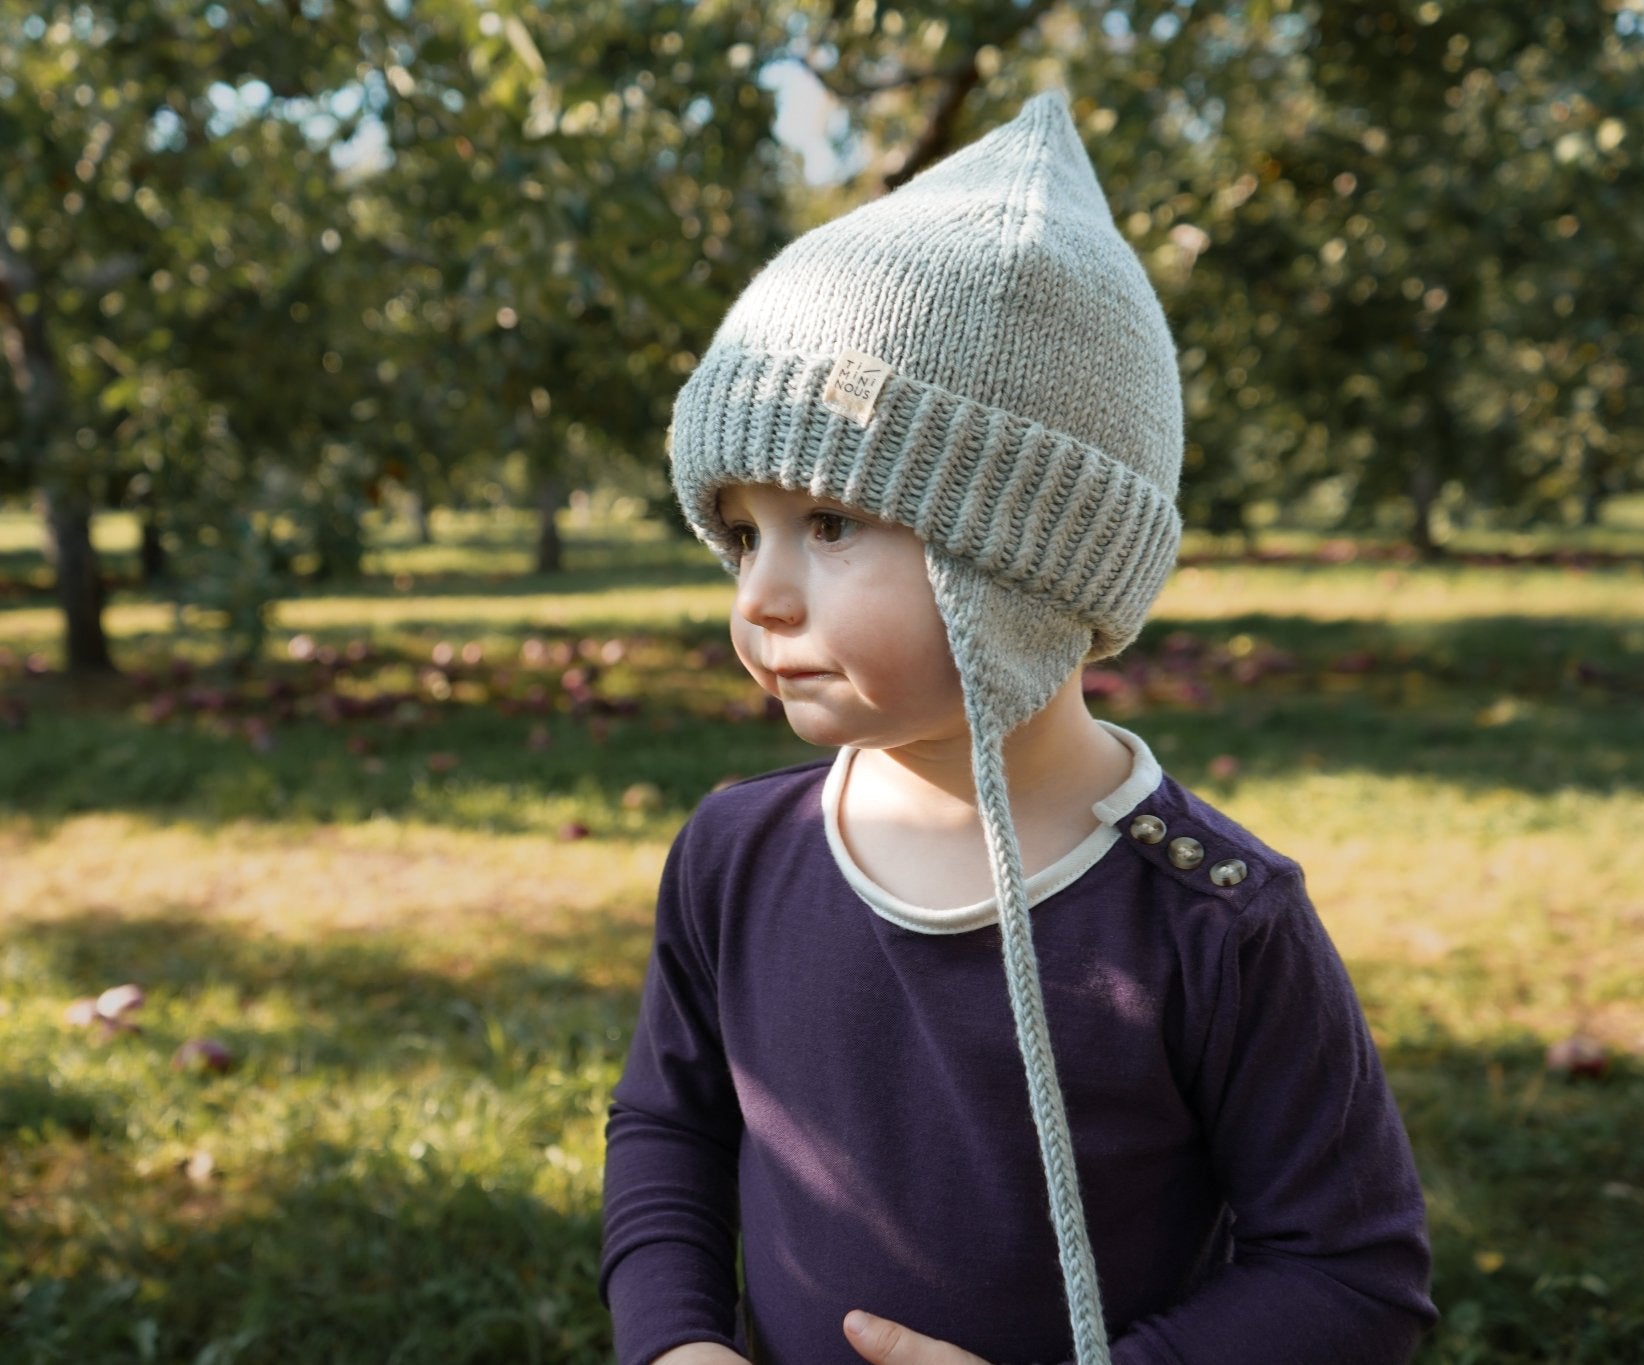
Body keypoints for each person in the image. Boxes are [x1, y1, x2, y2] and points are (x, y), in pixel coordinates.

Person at [598, 90, 1437, 1365]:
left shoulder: (1213, 922)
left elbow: (1350, 1276)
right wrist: (673, 1341)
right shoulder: (733, 854)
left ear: (1026, 563)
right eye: (741, 530)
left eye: (828, 526)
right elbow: (670, 1125)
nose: (757, 596)